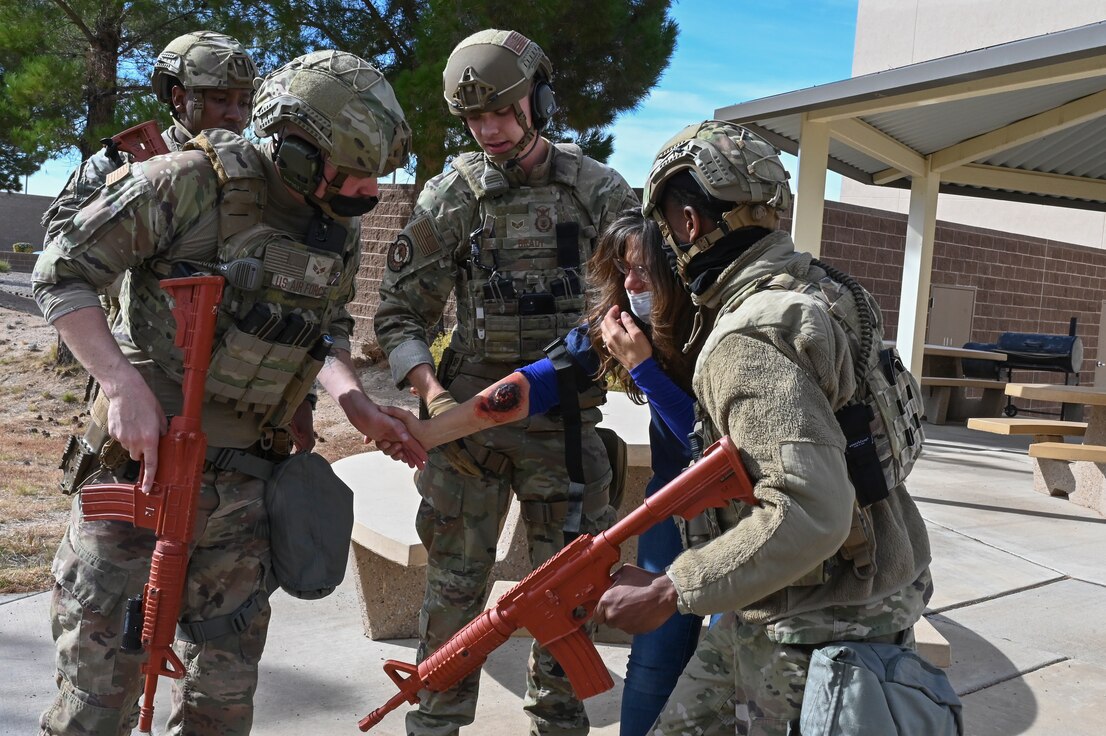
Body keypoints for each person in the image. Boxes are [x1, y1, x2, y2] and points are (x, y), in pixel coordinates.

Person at [33, 50, 421, 735]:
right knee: (97, 702)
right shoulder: (187, 183)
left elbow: (326, 328)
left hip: (246, 487)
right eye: (353, 173)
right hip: (141, 473)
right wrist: (120, 384)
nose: (364, 192)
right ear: (299, 150)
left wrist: (352, 400)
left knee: (222, 705)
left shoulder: (334, 218)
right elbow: (61, 272)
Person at [592, 121, 934, 735]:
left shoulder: (748, 337)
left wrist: (671, 588)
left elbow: (810, 510)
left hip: (811, 629)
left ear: (688, 226)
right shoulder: (826, 289)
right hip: (804, 602)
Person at [374, 28, 638, 736]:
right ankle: (434, 723)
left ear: (539, 101)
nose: (489, 130)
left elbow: (646, 296)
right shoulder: (454, 195)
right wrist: (433, 397)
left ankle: (557, 722)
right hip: (471, 432)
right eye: (474, 118)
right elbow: (399, 314)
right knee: (455, 591)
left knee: (569, 594)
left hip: (568, 427)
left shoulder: (598, 192)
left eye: (503, 111)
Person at [385, 211, 703, 735]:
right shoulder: (622, 323)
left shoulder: (712, 325)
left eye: (645, 269)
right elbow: (522, 390)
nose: (632, 284)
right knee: (651, 671)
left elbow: (709, 438)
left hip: (740, 514)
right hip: (671, 510)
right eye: (624, 270)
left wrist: (644, 369)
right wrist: (428, 433)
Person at [41, 30, 259, 243]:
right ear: (180, 99)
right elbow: (59, 242)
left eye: (244, 102)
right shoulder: (122, 161)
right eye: (220, 99)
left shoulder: (254, 168)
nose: (236, 115)